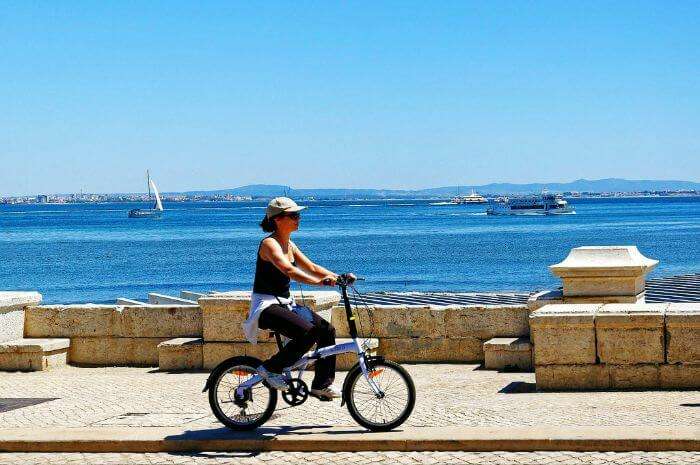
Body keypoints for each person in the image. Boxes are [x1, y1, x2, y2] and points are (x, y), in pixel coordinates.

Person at [242, 197, 354, 400]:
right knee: (307, 333)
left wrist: (338, 278)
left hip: (285, 304)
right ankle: (271, 368)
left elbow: (311, 267)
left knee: (326, 330)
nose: (298, 218)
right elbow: (289, 270)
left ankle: (322, 384)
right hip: (266, 306)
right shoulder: (269, 244)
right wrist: (321, 283)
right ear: (277, 219)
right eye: (293, 215)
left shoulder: (289, 244)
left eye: (298, 215)